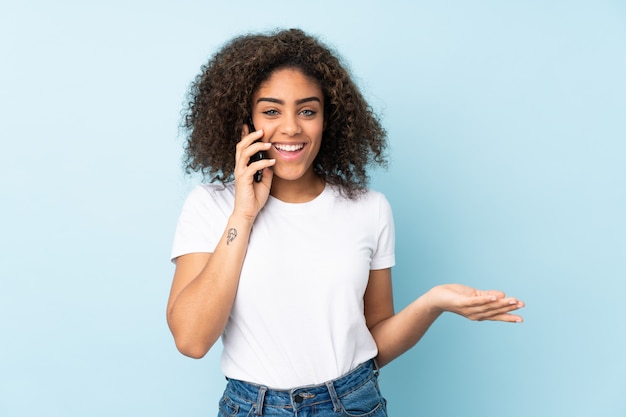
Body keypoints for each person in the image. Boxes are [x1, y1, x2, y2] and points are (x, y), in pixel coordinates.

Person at [167, 28, 524, 417]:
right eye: (271, 111)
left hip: (353, 404)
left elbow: (373, 345)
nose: (291, 127)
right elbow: (192, 339)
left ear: (327, 120)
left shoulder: (369, 209)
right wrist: (243, 213)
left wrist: (432, 303)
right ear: (245, 123)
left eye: (307, 110)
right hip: (252, 408)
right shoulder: (210, 206)